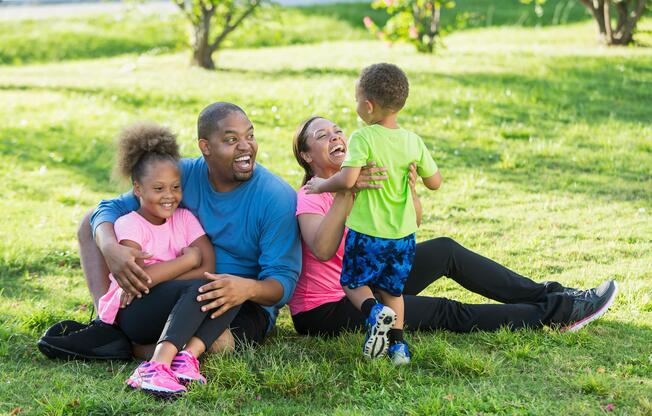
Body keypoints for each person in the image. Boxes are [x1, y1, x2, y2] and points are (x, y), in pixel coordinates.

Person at [290, 116, 618, 344]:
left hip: (371, 278)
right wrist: (347, 192)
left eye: (337, 130)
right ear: (306, 156)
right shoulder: (310, 195)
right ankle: (557, 314)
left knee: (445, 249)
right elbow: (322, 250)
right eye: (322, 136)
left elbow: (411, 223)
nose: (335, 137)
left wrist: (410, 191)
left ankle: (554, 293)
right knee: (444, 310)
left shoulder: (364, 176)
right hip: (327, 307)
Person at [41, 102, 301, 361]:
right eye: (231, 139)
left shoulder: (276, 197)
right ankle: (105, 323)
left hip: (239, 301)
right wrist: (110, 248)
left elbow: (283, 285)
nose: (246, 146)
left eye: (250, 136)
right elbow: (107, 210)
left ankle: (124, 346)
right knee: (91, 226)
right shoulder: (181, 176)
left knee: (218, 343)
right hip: (176, 290)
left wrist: (247, 289)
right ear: (205, 147)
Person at [304, 63, 441, 364]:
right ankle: (399, 347)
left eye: (356, 100)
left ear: (368, 106)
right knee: (394, 291)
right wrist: (414, 182)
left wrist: (321, 186)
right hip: (403, 237)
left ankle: (373, 313)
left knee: (353, 283)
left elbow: (348, 180)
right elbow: (436, 182)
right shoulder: (413, 141)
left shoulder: (363, 138)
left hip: (368, 234)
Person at [98, 121, 241, 397]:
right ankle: (154, 368)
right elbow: (139, 281)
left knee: (226, 288)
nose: (169, 196)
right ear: (138, 189)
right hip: (135, 313)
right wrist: (187, 262)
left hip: (173, 307)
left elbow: (207, 266)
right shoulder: (129, 225)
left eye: (175, 187)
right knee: (199, 287)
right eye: (159, 189)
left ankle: (186, 358)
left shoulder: (185, 218)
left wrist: (171, 276)